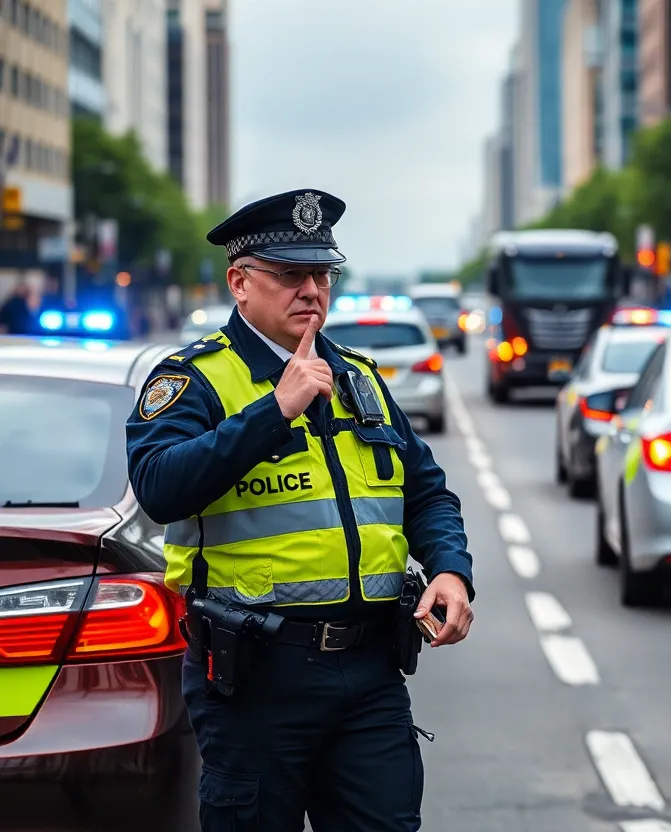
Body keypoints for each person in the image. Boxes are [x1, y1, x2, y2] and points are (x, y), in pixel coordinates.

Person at [125, 188, 474, 832]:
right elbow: (158, 486)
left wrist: (451, 570)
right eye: (290, 275)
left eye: (323, 274)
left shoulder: (362, 379)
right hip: (255, 679)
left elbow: (425, 491)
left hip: (370, 671)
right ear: (240, 282)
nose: (311, 290)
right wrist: (274, 411)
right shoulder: (193, 379)